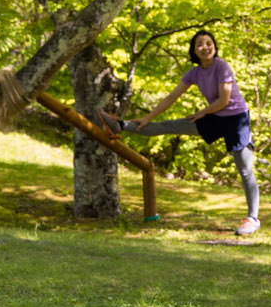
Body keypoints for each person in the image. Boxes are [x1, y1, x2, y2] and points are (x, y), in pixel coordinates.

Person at [97, 29, 260, 236]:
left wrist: (201, 113)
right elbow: (171, 97)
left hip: (236, 120)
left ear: (214, 46)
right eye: (200, 44)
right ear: (194, 50)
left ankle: (252, 219)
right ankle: (121, 125)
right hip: (213, 117)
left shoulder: (222, 66)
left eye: (209, 43)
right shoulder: (194, 73)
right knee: (169, 125)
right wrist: (148, 117)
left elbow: (224, 100)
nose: (205, 47)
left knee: (245, 170)